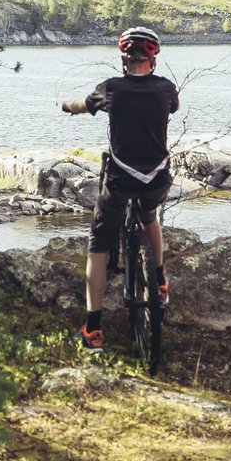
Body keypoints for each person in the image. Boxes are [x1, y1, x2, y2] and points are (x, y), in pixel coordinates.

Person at [62, 25, 179, 352]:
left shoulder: (111, 88)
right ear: (152, 59)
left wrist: (67, 106)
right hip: (155, 177)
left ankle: (93, 329)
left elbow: (84, 104)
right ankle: (158, 279)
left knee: (99, 242)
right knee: (150, 215)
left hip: (120, 179)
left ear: (123, 57)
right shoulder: (166, 89)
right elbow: (173, 108)